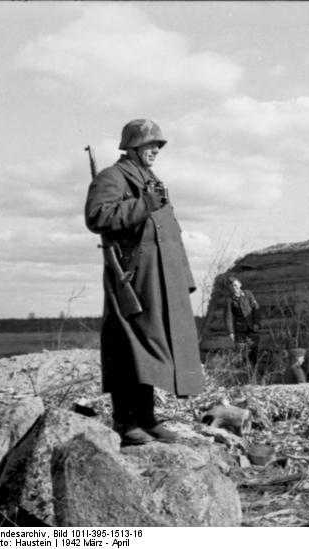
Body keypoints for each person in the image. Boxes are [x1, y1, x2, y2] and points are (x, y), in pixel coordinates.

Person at [85, 119, 204, 446]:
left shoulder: (153, 180)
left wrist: (183, 277)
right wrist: (142, 205)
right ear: (133, 147)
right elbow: (97, 217)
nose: (156, 150)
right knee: (129, 348)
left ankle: (148, 419)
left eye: (158, 146)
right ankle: (126, 422)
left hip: (162, 276)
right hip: (133, 277)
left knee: (151, 350)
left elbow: (170, 231)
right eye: (151, 145)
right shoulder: (113, 177)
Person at [224, 276, 261, 369]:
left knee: (254, 351)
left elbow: (256, 309)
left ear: (240, 284)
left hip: (252, 328)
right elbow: (228, 316)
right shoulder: (229, 300)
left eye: (236, 285)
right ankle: (246, 375)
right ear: (230, 288)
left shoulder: (248, 294)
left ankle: (255, 374)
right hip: (240, 330)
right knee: (243, 353)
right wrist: (231, 332)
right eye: (232, 286)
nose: (234, 287)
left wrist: (256, 323)